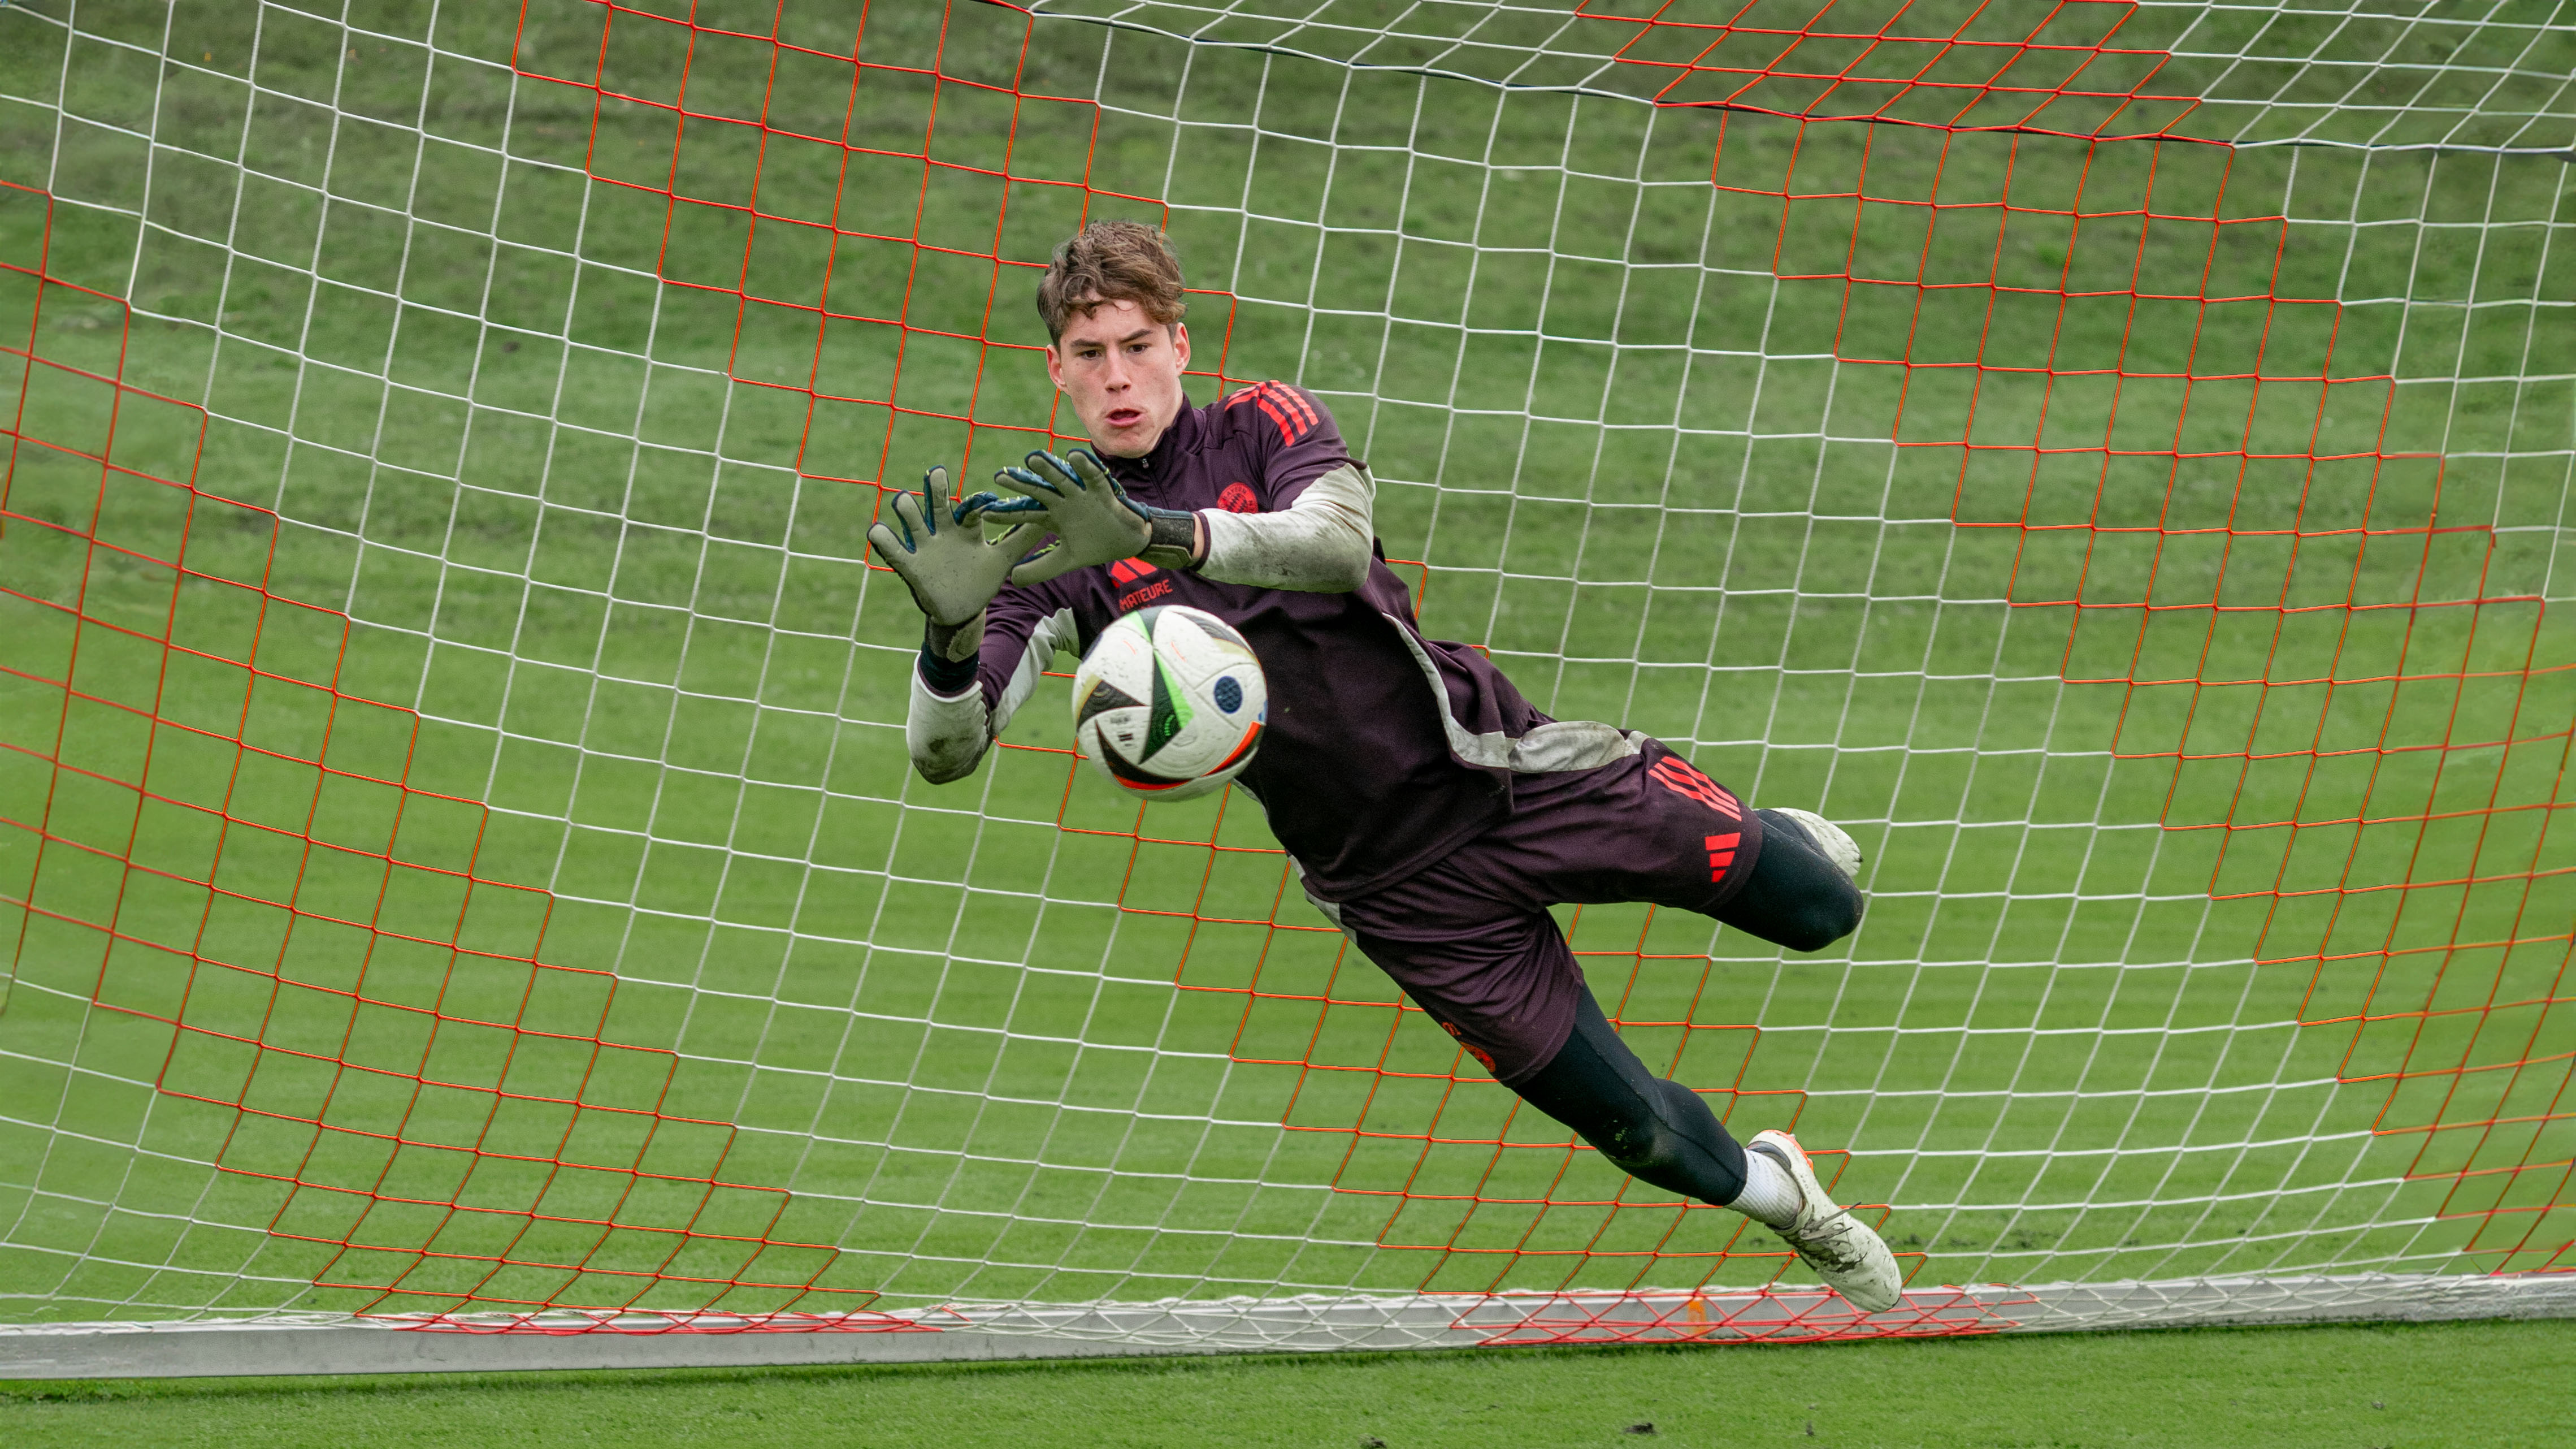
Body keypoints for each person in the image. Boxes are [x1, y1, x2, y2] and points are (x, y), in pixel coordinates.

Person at [865, 221, 1902, 1312]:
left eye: (1135, 346)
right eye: (1089, 355)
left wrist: (1160, 530)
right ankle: (1791, 1200)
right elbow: (950, 752)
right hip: (1396, 891)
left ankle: (1766, 835)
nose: (1116, 377)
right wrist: (945, 640)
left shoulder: (1263, 422)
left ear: (1179, 343)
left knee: (1819, 909)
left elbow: (1335, 547)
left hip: (1502, 770)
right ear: (1056, 368)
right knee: (1636, 1132)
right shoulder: (1049, 550)